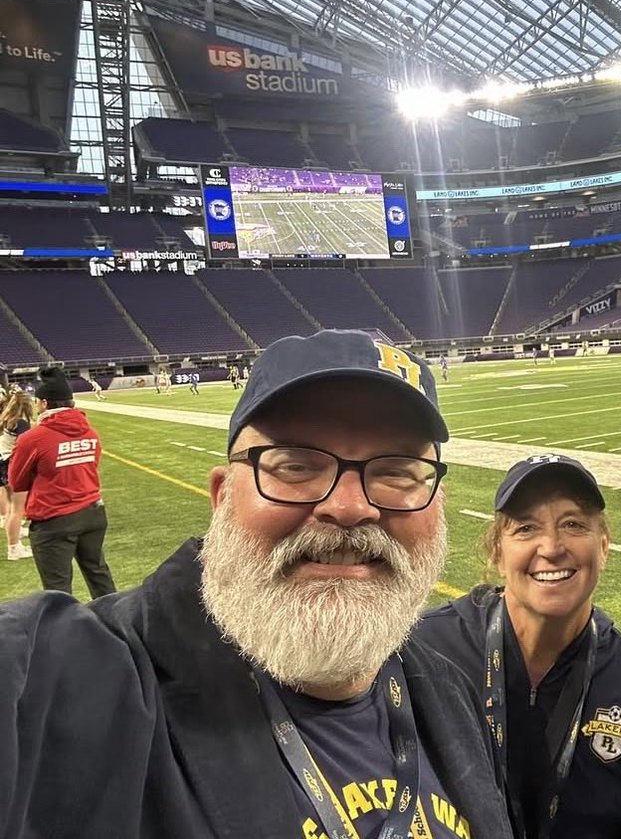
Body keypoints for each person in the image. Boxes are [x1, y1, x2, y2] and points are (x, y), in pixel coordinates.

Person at [0, 330, 514, 838]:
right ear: (222, 497)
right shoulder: (66, 681)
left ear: (436, 503)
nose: (351, 507)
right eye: (295, 465)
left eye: (399, 471)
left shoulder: (449, 692)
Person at [419, 454, 621, 839]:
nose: (551, 546)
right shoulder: (426, 652)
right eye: (526, 528)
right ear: (498, 552)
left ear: (604, 546)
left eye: (573, 524)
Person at [8, 367, 116, 596]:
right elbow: (91, 465)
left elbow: (17, 481)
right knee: (100, 576)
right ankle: (116, 626)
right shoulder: (91, 433)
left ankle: (66, 631)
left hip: (53, 519)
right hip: (93, 513)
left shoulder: (33, 438)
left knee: (58, 591)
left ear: (44, 403)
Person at [0, 389, 34, 561]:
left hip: (2, 459)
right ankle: (14, 549)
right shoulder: (21, 423)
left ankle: (16, 535)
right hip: (7, 463)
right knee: (17, 507)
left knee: (14, 506)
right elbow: (24, 448)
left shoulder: (7, 419)